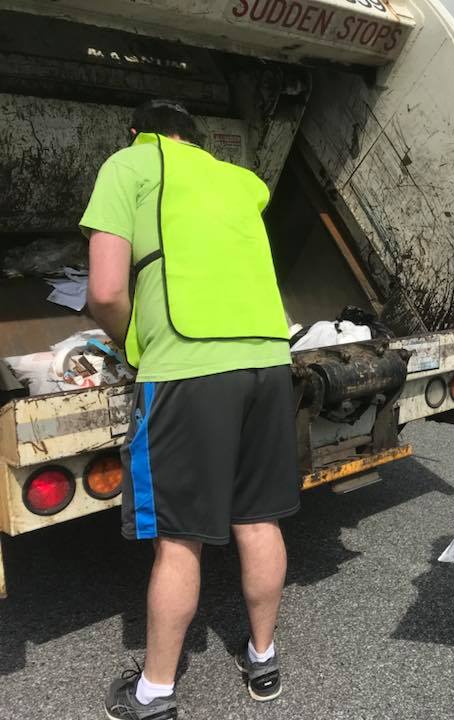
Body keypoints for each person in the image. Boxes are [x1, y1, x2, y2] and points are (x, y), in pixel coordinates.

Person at [81, 99, 300, 719]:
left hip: (188, 364)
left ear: (136, 132)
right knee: (259, 520)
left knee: (180, 539)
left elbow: (104, 290)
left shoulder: (129, 164)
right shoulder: (239, 180)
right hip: (268, 359)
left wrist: (130, 342)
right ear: (198, 140)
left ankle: (153, 692)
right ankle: (263, 659)